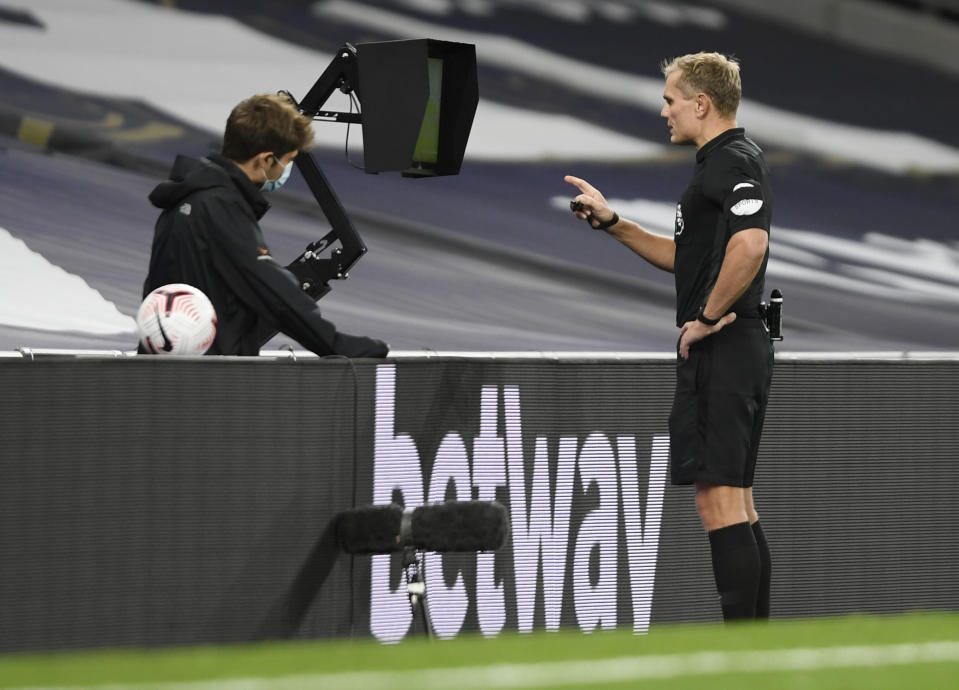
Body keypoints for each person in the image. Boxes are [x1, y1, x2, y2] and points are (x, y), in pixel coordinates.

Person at [566, 52, 773, 621]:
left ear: (701, 103)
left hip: (725, 346)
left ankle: (744, 660)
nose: (664, 112)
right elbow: (689, 258)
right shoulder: (722, 163)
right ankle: (759, 654)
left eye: (670, 99)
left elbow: (749, 246)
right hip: (738, 346)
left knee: (719, 501)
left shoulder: (731, 159)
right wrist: (615, 224)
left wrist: (706, 318)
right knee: (738, 502)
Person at [140, 93, 388, 358]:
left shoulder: (188, 198)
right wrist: (336, 345)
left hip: (168, 372)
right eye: (289, 160)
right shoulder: (222, 206)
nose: (286, 168)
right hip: (207, 381)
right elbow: (272, 291)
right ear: (266, 160)